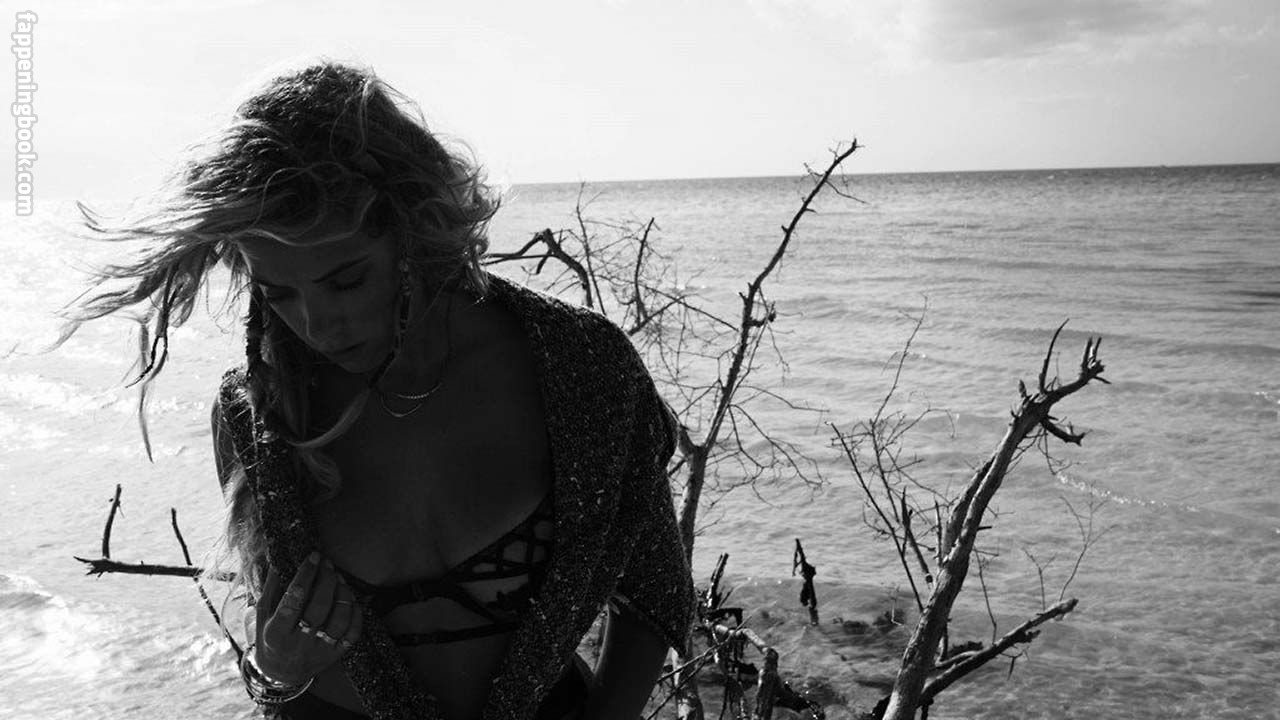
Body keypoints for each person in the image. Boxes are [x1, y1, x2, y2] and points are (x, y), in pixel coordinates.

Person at [65, 60, 696, 720]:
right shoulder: (261, 416)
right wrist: (275, 667)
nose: (318, 326)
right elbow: (272, 643)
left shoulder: (580, 366)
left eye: (345, 281)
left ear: (413, 229)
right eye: (279, 293)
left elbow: (652, 588)